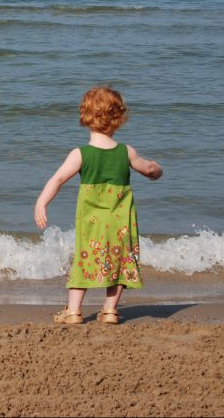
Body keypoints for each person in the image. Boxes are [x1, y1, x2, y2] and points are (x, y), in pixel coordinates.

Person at [34, 86, 163, 324]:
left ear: (85, 116)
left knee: (84, 259)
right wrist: (156, 169)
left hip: (91, 222)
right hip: (120, 220)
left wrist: (41, 202)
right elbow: (149, 170)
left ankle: (73, 311)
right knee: (120, 260)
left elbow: (58, 179)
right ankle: (110, 310)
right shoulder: (126, 152)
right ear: (119, 117)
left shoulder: (80, 154)